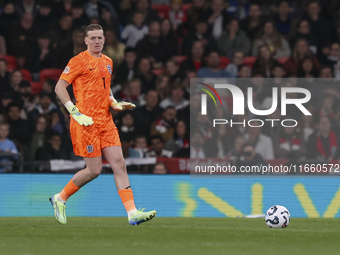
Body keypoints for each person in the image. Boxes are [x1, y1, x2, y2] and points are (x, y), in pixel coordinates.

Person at [50, 24, 156, 225]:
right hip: (85, 122)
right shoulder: (78, 61)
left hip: (105, 121)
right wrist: (74, 111)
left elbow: (106, 90)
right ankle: (60, 198)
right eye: (93, 38)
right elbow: (59, 87)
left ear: (105, 39)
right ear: (86, 40)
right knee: (94, 170)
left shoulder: (108, 62)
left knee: (119, 163)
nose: (97, 41)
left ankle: (132, 212)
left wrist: (114, 103)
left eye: (100, 38)